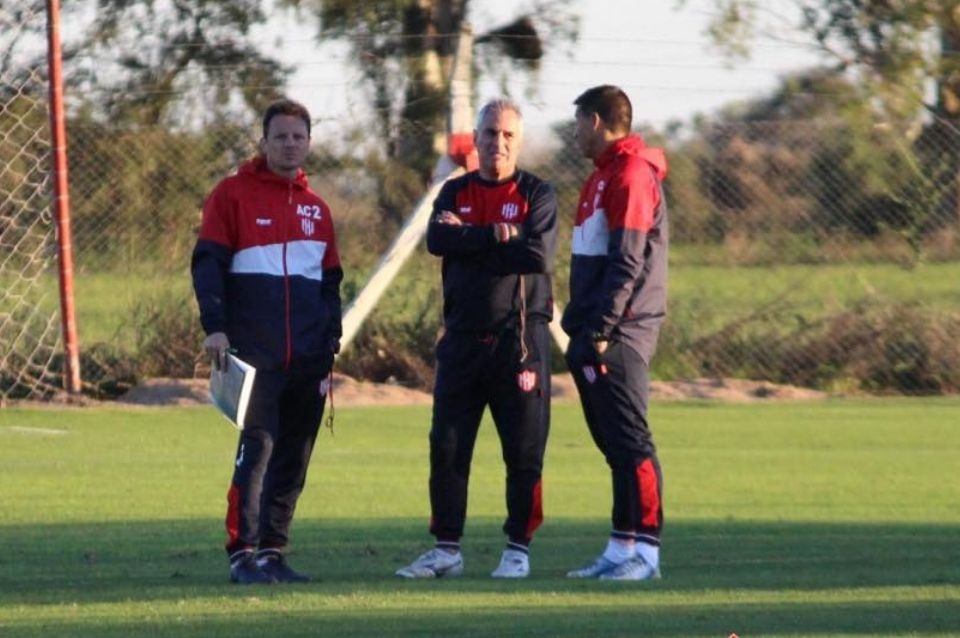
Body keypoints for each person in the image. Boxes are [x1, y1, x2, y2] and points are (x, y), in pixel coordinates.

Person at [395, 98, 559, 579]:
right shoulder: (454, 191)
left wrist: (471, 238)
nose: (498, 143)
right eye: (490, 133)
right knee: (447, 446)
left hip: (519, 344)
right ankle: (446, 549)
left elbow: (537, 257)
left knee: (523, 451)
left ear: (519, 142)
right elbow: (437, 241)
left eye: (508, 135)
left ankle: (518, 549)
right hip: (462, 342)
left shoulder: (537, 194)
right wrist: (500, 234)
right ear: (477, 139)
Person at [191, 99, 343, 584]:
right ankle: (243, 554)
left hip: (309, 357)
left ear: (309, 143)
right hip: (255, 353)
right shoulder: (231, 195)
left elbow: (331, 282)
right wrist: (215, 325)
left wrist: (331, 339)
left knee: (295, 455)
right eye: (281, 136)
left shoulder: (318, 210)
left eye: (298, 137)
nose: (290, 144)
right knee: (257, 448)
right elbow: (208, 264)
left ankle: (274, 551)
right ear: (264, 142)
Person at [561, 85, 669, 581]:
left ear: (597, 121)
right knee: (614, 446)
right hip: (593, 330)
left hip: (620, 332)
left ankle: (647, 554)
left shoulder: (631, 175)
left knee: (632, 442)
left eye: (578, 123)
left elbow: (628, 260)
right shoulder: (601, 177)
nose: (574, 134)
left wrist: (603, 328)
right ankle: (621, 546)